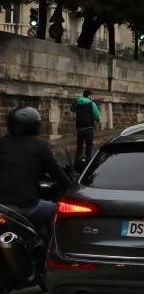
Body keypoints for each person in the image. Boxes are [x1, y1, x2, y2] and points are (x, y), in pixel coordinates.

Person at [0, 107, 72, 241]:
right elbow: (58, 175)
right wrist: (72, 188)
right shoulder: (40, 146)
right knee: (56, 211)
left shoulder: (2, 144)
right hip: (27, 206)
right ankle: (51, 248)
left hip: (2, 207)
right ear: (34, 126)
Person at [71, 89, 101, 165]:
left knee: (79, 148)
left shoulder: (77, 102)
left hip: (79, 129)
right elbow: (96, 116)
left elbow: (72, 109)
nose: (92, 97)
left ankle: (77, 164)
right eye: (91, 96)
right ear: (89, 96)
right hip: (88, 128)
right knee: (88, 148)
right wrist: (97, 120)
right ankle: (87, 165)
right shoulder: (92, 104)